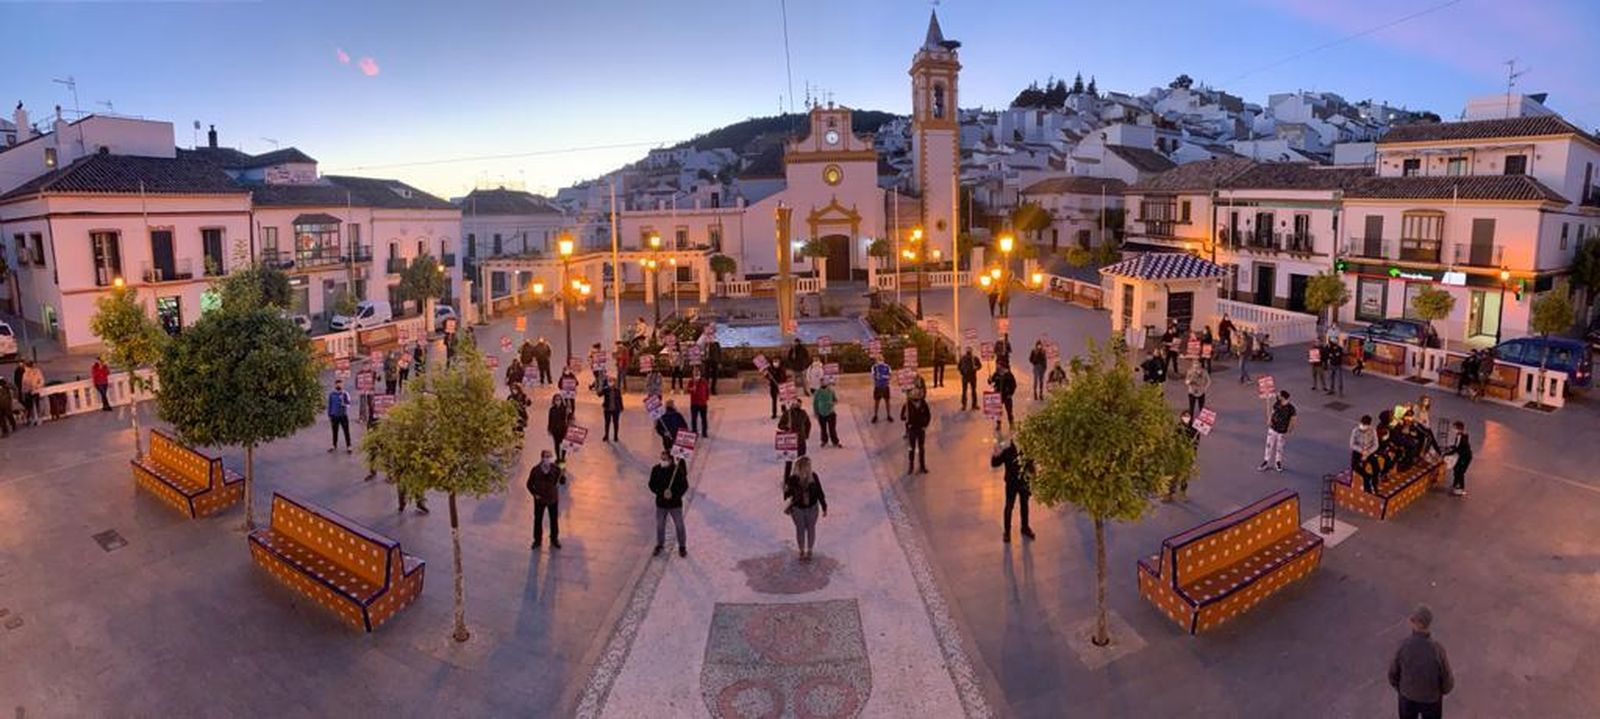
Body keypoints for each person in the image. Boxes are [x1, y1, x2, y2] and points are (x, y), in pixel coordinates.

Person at [1388, 605, 1454, 719]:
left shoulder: (1404, 646)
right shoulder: (1437, 649)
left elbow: (1393, 674)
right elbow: (1447, 679)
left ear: (1416, 623)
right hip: (1431, 700)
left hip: (1407, 697)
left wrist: (1402, 689)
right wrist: (1440, 692)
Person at [990, 431, 1035, 542]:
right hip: (1011, 483)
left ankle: (1025, 527)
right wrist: (995, 453)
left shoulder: (1027, 448)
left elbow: (1031, 465)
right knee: (1009, 507)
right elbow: (995, 463)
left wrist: (1033, 478)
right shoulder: (1008, 449)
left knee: (1024, 505)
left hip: (1024, 482)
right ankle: (1007, 532)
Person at [783, 456, 827, 561]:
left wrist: (824, 506)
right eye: (806, 466)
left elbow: (820, 492)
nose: (808, 469)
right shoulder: (793, 479)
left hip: (811, 508)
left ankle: (808, 550)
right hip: (798, 509)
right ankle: (803, 550)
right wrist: (787, 488)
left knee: (809, 529)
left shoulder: (813, 477)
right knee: (801, 529)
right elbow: (786, 495)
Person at [649, 451, 690, 557]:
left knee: (679, 525)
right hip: (661, 503)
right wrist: (661, 492)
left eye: (665, 459)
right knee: (660, 525)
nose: (663, 461)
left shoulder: (677, 471)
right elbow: (651, 484)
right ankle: (660, 544)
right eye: (662, 458)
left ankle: (682, 546)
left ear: (671, 460)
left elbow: (684, 486)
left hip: (675, 504)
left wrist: (674, 494)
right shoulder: (656, 469)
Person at [527, 450, 563, 549]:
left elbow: (560, 480)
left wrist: (562, 473)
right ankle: (537, 540)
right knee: (538, 520)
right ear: (542, 458)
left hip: (552, 499)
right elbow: (529, 484)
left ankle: (554, 538)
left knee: (554, 519)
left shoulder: (556, 469)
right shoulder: (535, 470)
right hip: (540, 500)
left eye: (550, 456)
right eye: (546, 456)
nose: (548, 459)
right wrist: (535, 494)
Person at [1259, 390, 1296, 473]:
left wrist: (1290, 428)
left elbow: (1293, 419)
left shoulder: (1291, 408)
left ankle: (1278, 462)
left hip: (1282, 430)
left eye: (1279, 395)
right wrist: (1269, 419)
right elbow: (1273, 411)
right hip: (1273, 428)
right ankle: (1266, 461)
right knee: (1269, 445)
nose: (1277, 396)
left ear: (1283, 397)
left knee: (1280, 447)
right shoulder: (1277, 403)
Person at [779, 397, 812, 477]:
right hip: (790, 440)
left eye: (799, 404)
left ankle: (800, 477)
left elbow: (808, 424)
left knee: (801, 460)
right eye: (795, 404)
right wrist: (786, 427)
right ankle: (786, 479)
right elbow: (780, 425)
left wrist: (806, 435)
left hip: (801, 440)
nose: (797, 405)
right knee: (789, 461)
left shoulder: (803, 413)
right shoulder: (788, 413)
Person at [901, 390, 931, 474]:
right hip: (912, 429)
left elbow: (928, 415)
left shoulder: (923, 404)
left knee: (921, 448)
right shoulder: (907, 404)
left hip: (921, 429)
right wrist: (905, 416)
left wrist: (925, 425)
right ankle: (911, 466)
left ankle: (922, 466)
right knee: (911, 448)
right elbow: (902, 417)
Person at [1351, 415, 1380, 493]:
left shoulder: (1373, 431)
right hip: (1358, 452)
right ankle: (1367, 479)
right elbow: (1352, 445)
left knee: (1376, 468)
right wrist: (1361, 451)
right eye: (1362, 424)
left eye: (1365, 425)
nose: (1363, 426)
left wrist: (1368, 452)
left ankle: (1374, 483)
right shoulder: (1355, 431)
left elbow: (1376, 445)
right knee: (1355, 466)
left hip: (1369, 452)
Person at [1442, 420, 1471, 497]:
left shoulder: (1461, 437)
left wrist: (1447, 454)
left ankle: (1460, 489)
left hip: (1465, 457)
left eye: (1454, 428)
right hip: (1462, 456)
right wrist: (1450, 448)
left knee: (1460, 472)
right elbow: (1456, 446)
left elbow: (1458, 449)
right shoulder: (1460, 436)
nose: (1453, 429)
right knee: (1456, 469)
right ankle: (1455, 485)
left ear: (1458, 428)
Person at [812, 378, 840, 448]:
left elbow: (836, 400)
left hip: (831, 413)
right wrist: (816, 412)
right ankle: (824, 441)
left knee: (832, 429)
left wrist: (832, 403)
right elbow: (815, 403)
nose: (823, 383)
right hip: (821, 414)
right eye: (821, 382)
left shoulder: (831, 390)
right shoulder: (817, 392)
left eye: (824, 382)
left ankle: (835, 441)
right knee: (823, 429)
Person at [327, 380, 353, 453]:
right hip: (334, 416)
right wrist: (329, 414)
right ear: (335, 385)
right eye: (337, 385)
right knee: (334, 431)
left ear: (342, 385)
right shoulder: (332, 394)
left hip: (343, 415)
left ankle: (349, 446)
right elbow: (330, 405)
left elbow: (349, 404)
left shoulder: (345, 394)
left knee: (346, 431)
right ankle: (334, 445)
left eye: (340, 385)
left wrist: (344, 404)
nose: (338, 386)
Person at [990, 363, 1017, 430]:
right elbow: (991, 382)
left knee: (1009, 411)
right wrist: (989, 380)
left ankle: (1011, 423)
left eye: (1000, 367)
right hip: (998, 395)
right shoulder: (996, 374)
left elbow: (1014, 385)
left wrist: (1010, 394)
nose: (998, 369)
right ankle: (998, 424)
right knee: (998, 411)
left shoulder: (1009, 375)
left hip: (1007, 396)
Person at [687, 368, 711, 438]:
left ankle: (704, 432)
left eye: (698, 373)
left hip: (703, 404)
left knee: (704, 419)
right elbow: (688, 390)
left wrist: (706, 399)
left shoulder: (704, 381)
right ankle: (694, 431)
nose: (696, 375)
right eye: (695, 374)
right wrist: (691, 389)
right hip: (694, 403)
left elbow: (707, 390)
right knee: (694, 419)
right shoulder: (691, 382)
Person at [957, 346, 982, 411]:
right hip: (965, 376)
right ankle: (964, 405)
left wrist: (975, 368)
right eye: (968, 350)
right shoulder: (963, 358)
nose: (968, 352)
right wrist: (962, 372)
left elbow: (980, 366)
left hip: (972, 376)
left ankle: (974, 405)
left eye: (969, 350)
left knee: (973, 391)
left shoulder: (974, 358)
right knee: (965, 391)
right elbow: (959, 367)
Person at [600, 376, 624, 442]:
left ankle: (615, 436)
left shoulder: (617, 390)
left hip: (616, 409)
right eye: (610, 381)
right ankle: (606, 435)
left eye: (613, 381)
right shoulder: (606, 389)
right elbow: (599, 394)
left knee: (616, 423)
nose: (611, 383)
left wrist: (621, 407)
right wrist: (603, 384)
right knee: (607, 423)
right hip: (607, 409)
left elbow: (620, 399)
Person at [547, 395, 569, 465]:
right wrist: (549, 429)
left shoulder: (564, 409)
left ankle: (562, 457)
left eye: (559, 400)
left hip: (563, 429)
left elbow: (568, 417)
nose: (557, 401)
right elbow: (550, 419)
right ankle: (558, 458)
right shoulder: (552, 409)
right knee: (556, 444)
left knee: (563, 444)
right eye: (556, 400)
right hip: (555, 430)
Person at [870, 357, 893, 423]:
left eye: (881, 358)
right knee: (877, 401)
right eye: (878, 359)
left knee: (887, 401)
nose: (880, 360)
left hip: (885, 386)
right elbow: (873, 375)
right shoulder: (874, 367)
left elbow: (890, 375)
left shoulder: (887, 366)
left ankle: (888, 415)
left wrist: (885, 377)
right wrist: (877, 376)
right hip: (878, 386)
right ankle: (875, 415)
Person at [20, 361, 44, 425]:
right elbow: (23, 384)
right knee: (30, 406)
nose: (25, 368)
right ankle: (33, 419)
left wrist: (36, 387)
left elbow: (41, 381)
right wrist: (23, 392)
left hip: (35, 391)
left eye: (25, 366)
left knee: (37, 405)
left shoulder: (36, 372)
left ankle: (39, 419)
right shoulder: (25, 374)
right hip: (28, 392)